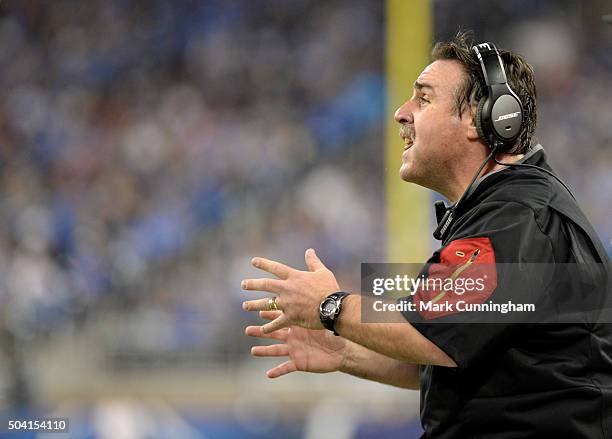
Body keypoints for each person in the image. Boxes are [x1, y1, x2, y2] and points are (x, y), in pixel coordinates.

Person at [241, 32, 612, 438]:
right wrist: (345, 349)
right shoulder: (508, 208)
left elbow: (433, 335)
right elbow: (450, 351)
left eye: (423, 98)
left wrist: (331, 307)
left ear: (483, 117)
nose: (401, 113)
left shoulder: (515, 214)